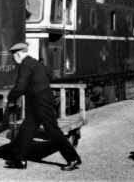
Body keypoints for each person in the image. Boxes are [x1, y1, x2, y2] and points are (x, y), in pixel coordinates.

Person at [5, 42, 82, 171]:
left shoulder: (25, 65)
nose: (13, 59)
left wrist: (11, 97)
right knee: (26, 129)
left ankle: (73, 158)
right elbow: (50, 74)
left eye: (13, 56)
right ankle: (19, 159)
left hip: (40, 102)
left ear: (18, 54)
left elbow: (20, 86)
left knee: (53, 131)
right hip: (39, 100)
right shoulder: (34, 62)